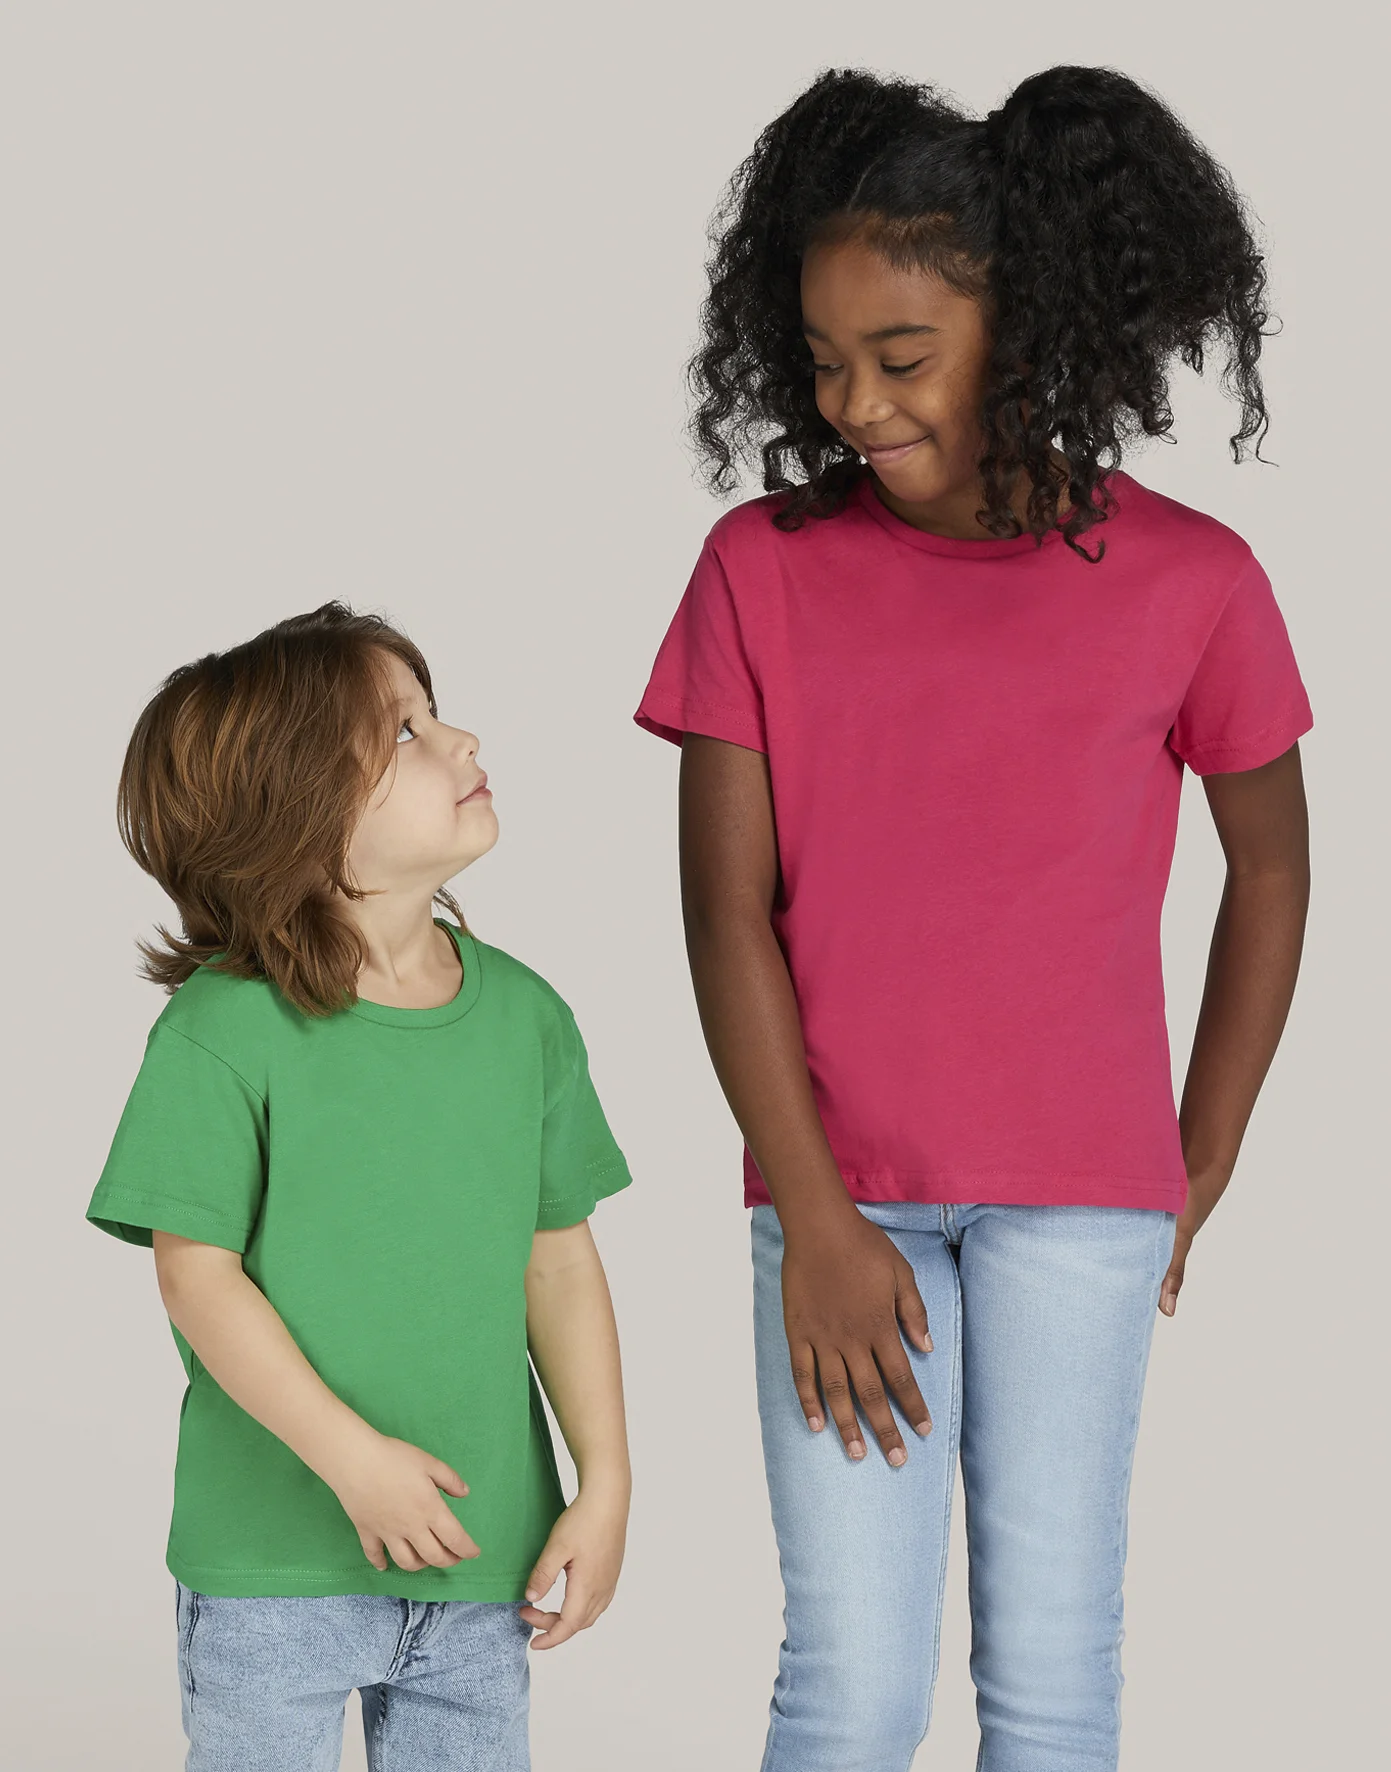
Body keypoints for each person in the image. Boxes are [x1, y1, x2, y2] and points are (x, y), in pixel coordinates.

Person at [634, 64, 1311, 1772]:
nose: (852, 401)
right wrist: (813, 1211)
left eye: (901, 356)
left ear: (1034, 328)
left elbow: (1272, 867)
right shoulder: (757, 570)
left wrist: (1200, 1151)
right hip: (835, 1196)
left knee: (1052, 1679)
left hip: (1082, 1206)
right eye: (822, 358)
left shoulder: (1193, 581)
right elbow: (723, 916)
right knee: (850, 1688)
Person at [87, 603, 632, 1772]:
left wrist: (606, 1479)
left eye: (434, 713)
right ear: (292, 812)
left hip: (481, 1562)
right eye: (401, 733)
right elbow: (196, 1275)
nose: (461, 739)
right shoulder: (222, 1029)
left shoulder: (527, 1017)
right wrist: (353, 1460)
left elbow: (558, 1260)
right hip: (273, 1566)